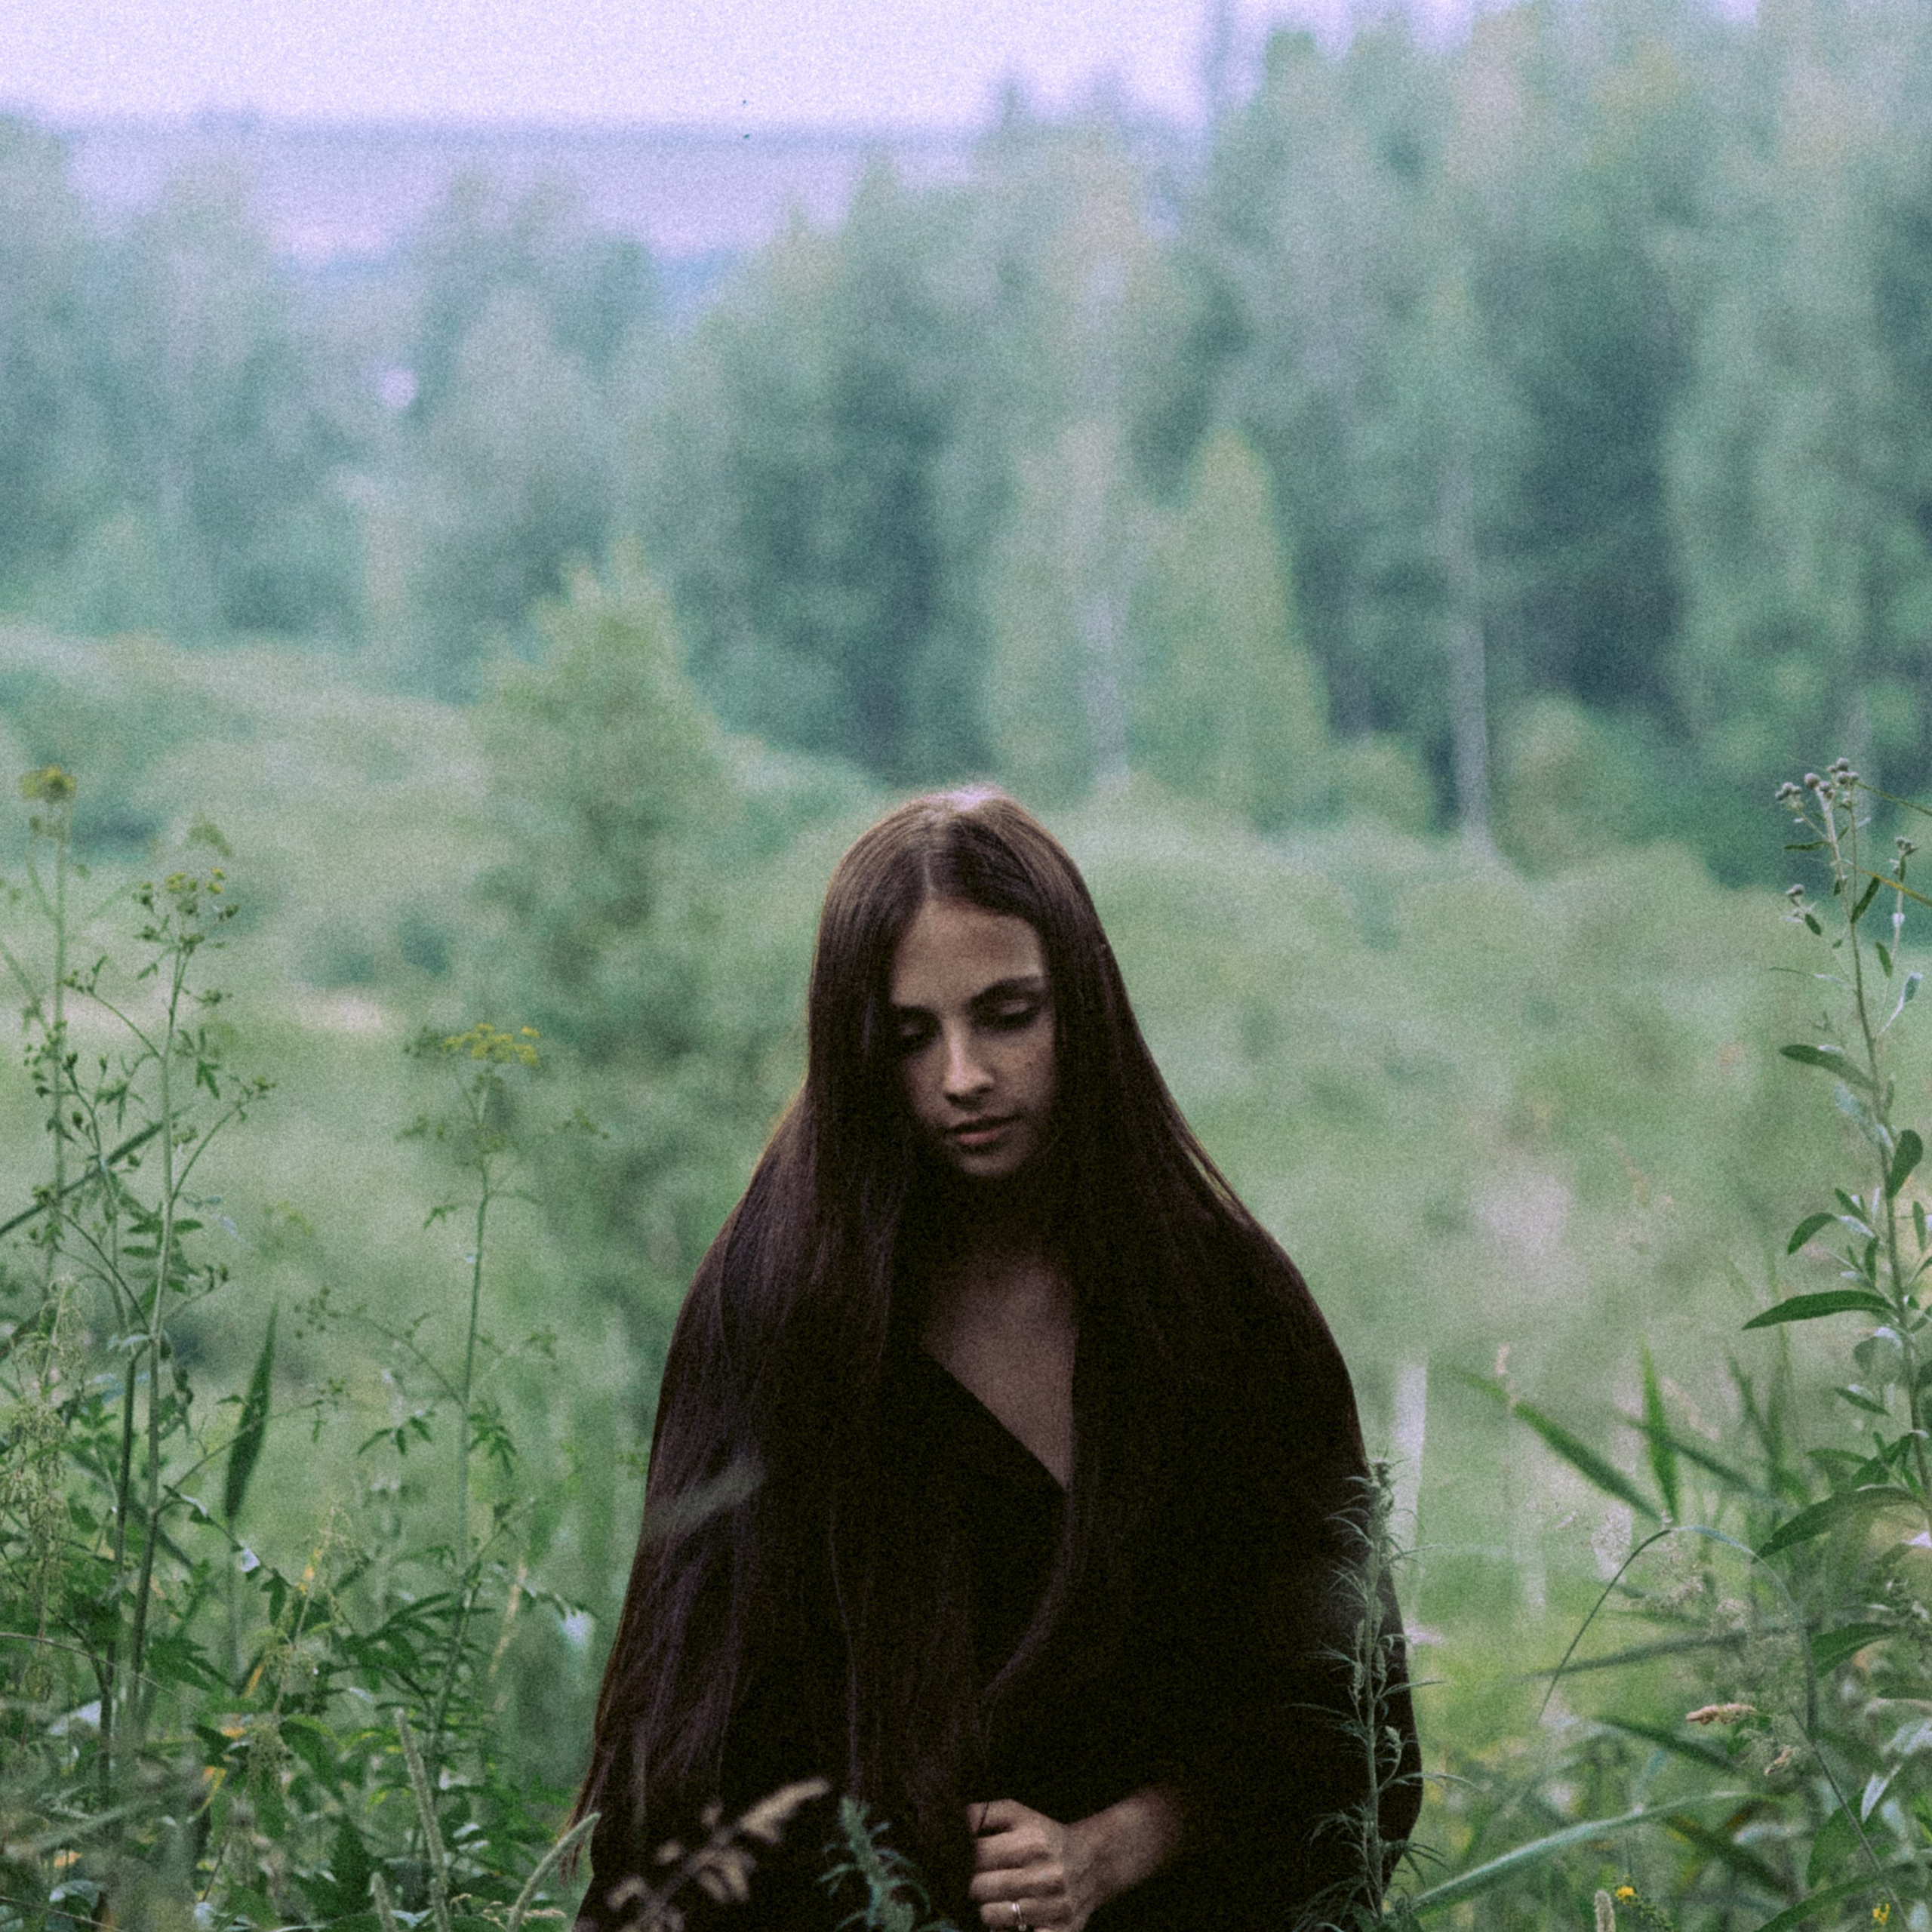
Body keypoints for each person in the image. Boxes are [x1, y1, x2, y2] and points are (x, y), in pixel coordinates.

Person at [576, 788, 1420, 1932]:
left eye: (1008, 1015)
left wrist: (1120, 1844)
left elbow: (1350, 1735)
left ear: (1084, 1007)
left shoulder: (1222, 1306)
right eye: (909, 1037)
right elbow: (685, 1756)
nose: (963, 1076)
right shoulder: (775, 1311)